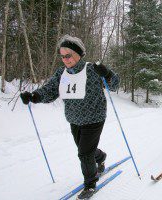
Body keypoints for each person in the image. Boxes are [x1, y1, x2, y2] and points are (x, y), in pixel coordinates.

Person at [20, 35, 120, 200]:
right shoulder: (62, 73)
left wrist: (107, 73)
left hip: (94, 118)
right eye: (62, 55)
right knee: (85, 149)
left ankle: (90, 184)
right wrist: (34, 96)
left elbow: (115, 85)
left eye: (69, 55)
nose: (65, 59)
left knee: (84, 154)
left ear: (79, 54)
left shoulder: (92, 69)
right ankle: (101, 157)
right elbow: (50, 90)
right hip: (74, 119)